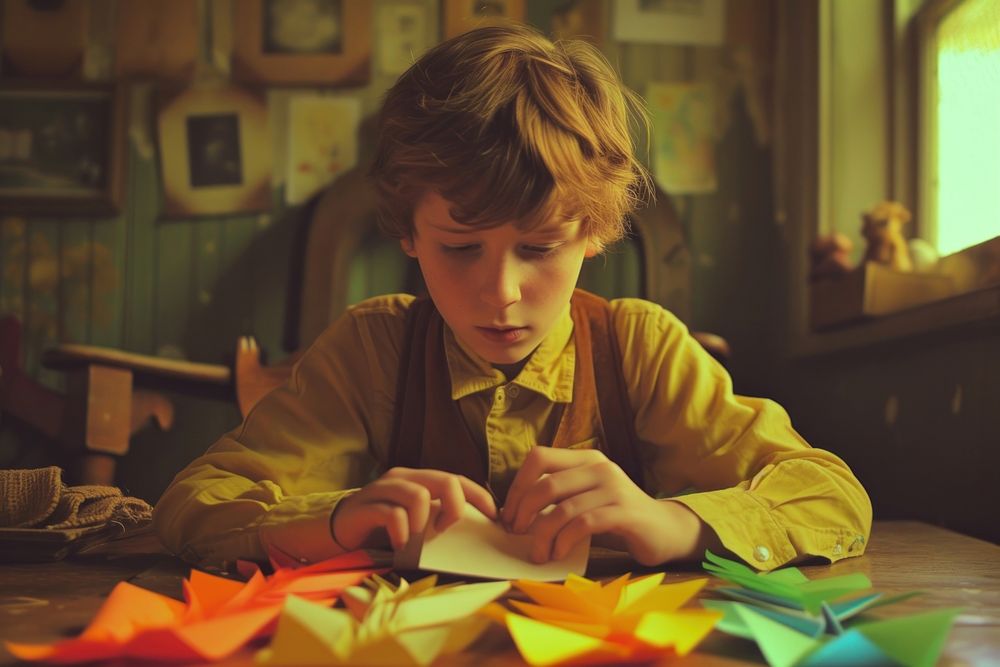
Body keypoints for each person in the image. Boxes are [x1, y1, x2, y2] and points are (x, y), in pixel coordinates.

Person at [153, 24, 871, 571]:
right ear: (408, 231)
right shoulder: (372, 350)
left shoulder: (640, 347)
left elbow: (832, 498)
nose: (500, 292)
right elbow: (194, 504)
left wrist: (670, 522)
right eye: (460, 248)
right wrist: (340, 517)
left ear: (592, 230)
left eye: (539, 247)